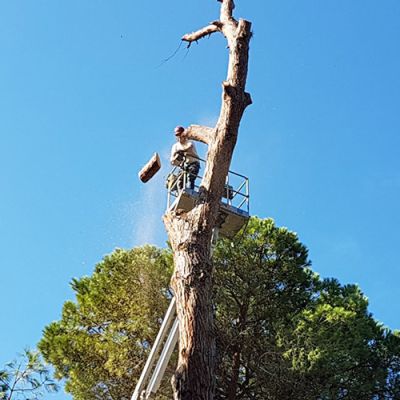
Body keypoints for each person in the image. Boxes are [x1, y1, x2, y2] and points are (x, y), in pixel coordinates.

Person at [170, 126, 200, 190]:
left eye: (180, 134)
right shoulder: (175, 146)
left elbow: (190, 147)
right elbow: (172, 161)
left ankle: (190, 193)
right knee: (179, 182)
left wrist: (181, 151)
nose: (179, 137)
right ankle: (181, 194)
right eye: (177, 135)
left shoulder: (189, 142)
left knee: (190, 177)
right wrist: (176, 158)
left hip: (193, 163)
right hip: (183, 166)